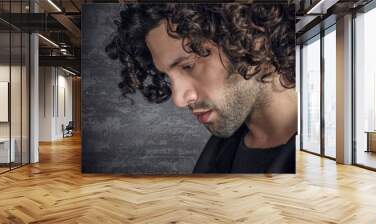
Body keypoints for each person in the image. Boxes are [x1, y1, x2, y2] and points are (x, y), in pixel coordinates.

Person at [105, 3, 297, 173]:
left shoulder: (321, 149)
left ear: (254, 39)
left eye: (188, 65)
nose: (179, 99)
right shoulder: (220, 152)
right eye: (167, 76)